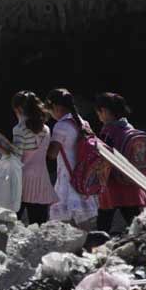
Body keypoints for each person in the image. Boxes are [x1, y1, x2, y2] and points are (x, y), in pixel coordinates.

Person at [95, 92, 146, 232]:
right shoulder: (129, 127)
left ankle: (96, 249)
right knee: (136, 224)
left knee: (103, 224)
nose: (98, 116)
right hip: (131, 183)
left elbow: (103, 159)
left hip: (113, 185)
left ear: (105, 111)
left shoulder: (108, 132)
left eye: (99, 112)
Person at [46, 88, 98, 227]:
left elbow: (52, 154)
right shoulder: (83, 123)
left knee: (67, 225)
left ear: (56, 107)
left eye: (50, 110)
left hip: (68, 179)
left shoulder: (61, 126)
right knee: (85, 226)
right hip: (84, 178)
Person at [11, 91, 58, 225]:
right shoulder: (46, 129)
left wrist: (0, 147)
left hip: (21, 181)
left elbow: (16, 157)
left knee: (10, 224)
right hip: (41, 180)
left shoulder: (19, 129)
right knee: (39, 226)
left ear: (19, 109)